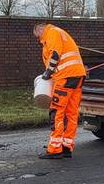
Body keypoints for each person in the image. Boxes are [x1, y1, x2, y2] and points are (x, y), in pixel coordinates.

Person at [33, 23, 86, 159]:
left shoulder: (51, 33)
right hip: (77, 75)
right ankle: (66, 146)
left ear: (40, 30)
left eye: (37, 36)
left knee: (56, 111)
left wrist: (48, 72)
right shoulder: (59, 32)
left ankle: (55, 149)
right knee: (71, 112)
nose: (39, 40)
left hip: (65, 76)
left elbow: (55, 53)